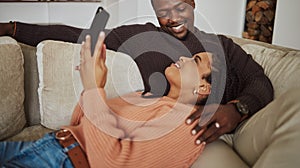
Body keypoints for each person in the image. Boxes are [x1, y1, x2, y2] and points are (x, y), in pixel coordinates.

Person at [0, 0, 273, 144]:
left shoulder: (221, 45)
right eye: (164, 12)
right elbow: (84, 35)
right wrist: (14, 28)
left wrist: (238, 109)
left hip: (196, 138)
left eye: (181, 7)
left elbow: (259, 81)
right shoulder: (141, 36)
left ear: (193, 1)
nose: (174, 17)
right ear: (155, 14)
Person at [1, 33, 214, 167]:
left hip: (63, 160)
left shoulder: (186, 125)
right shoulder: (146, 95)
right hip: (50, 144)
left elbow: (109, 161)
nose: (183, 58)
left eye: (195, 60)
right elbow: (79, 121)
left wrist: (94, 87)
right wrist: (90, 82)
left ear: (203, 87)